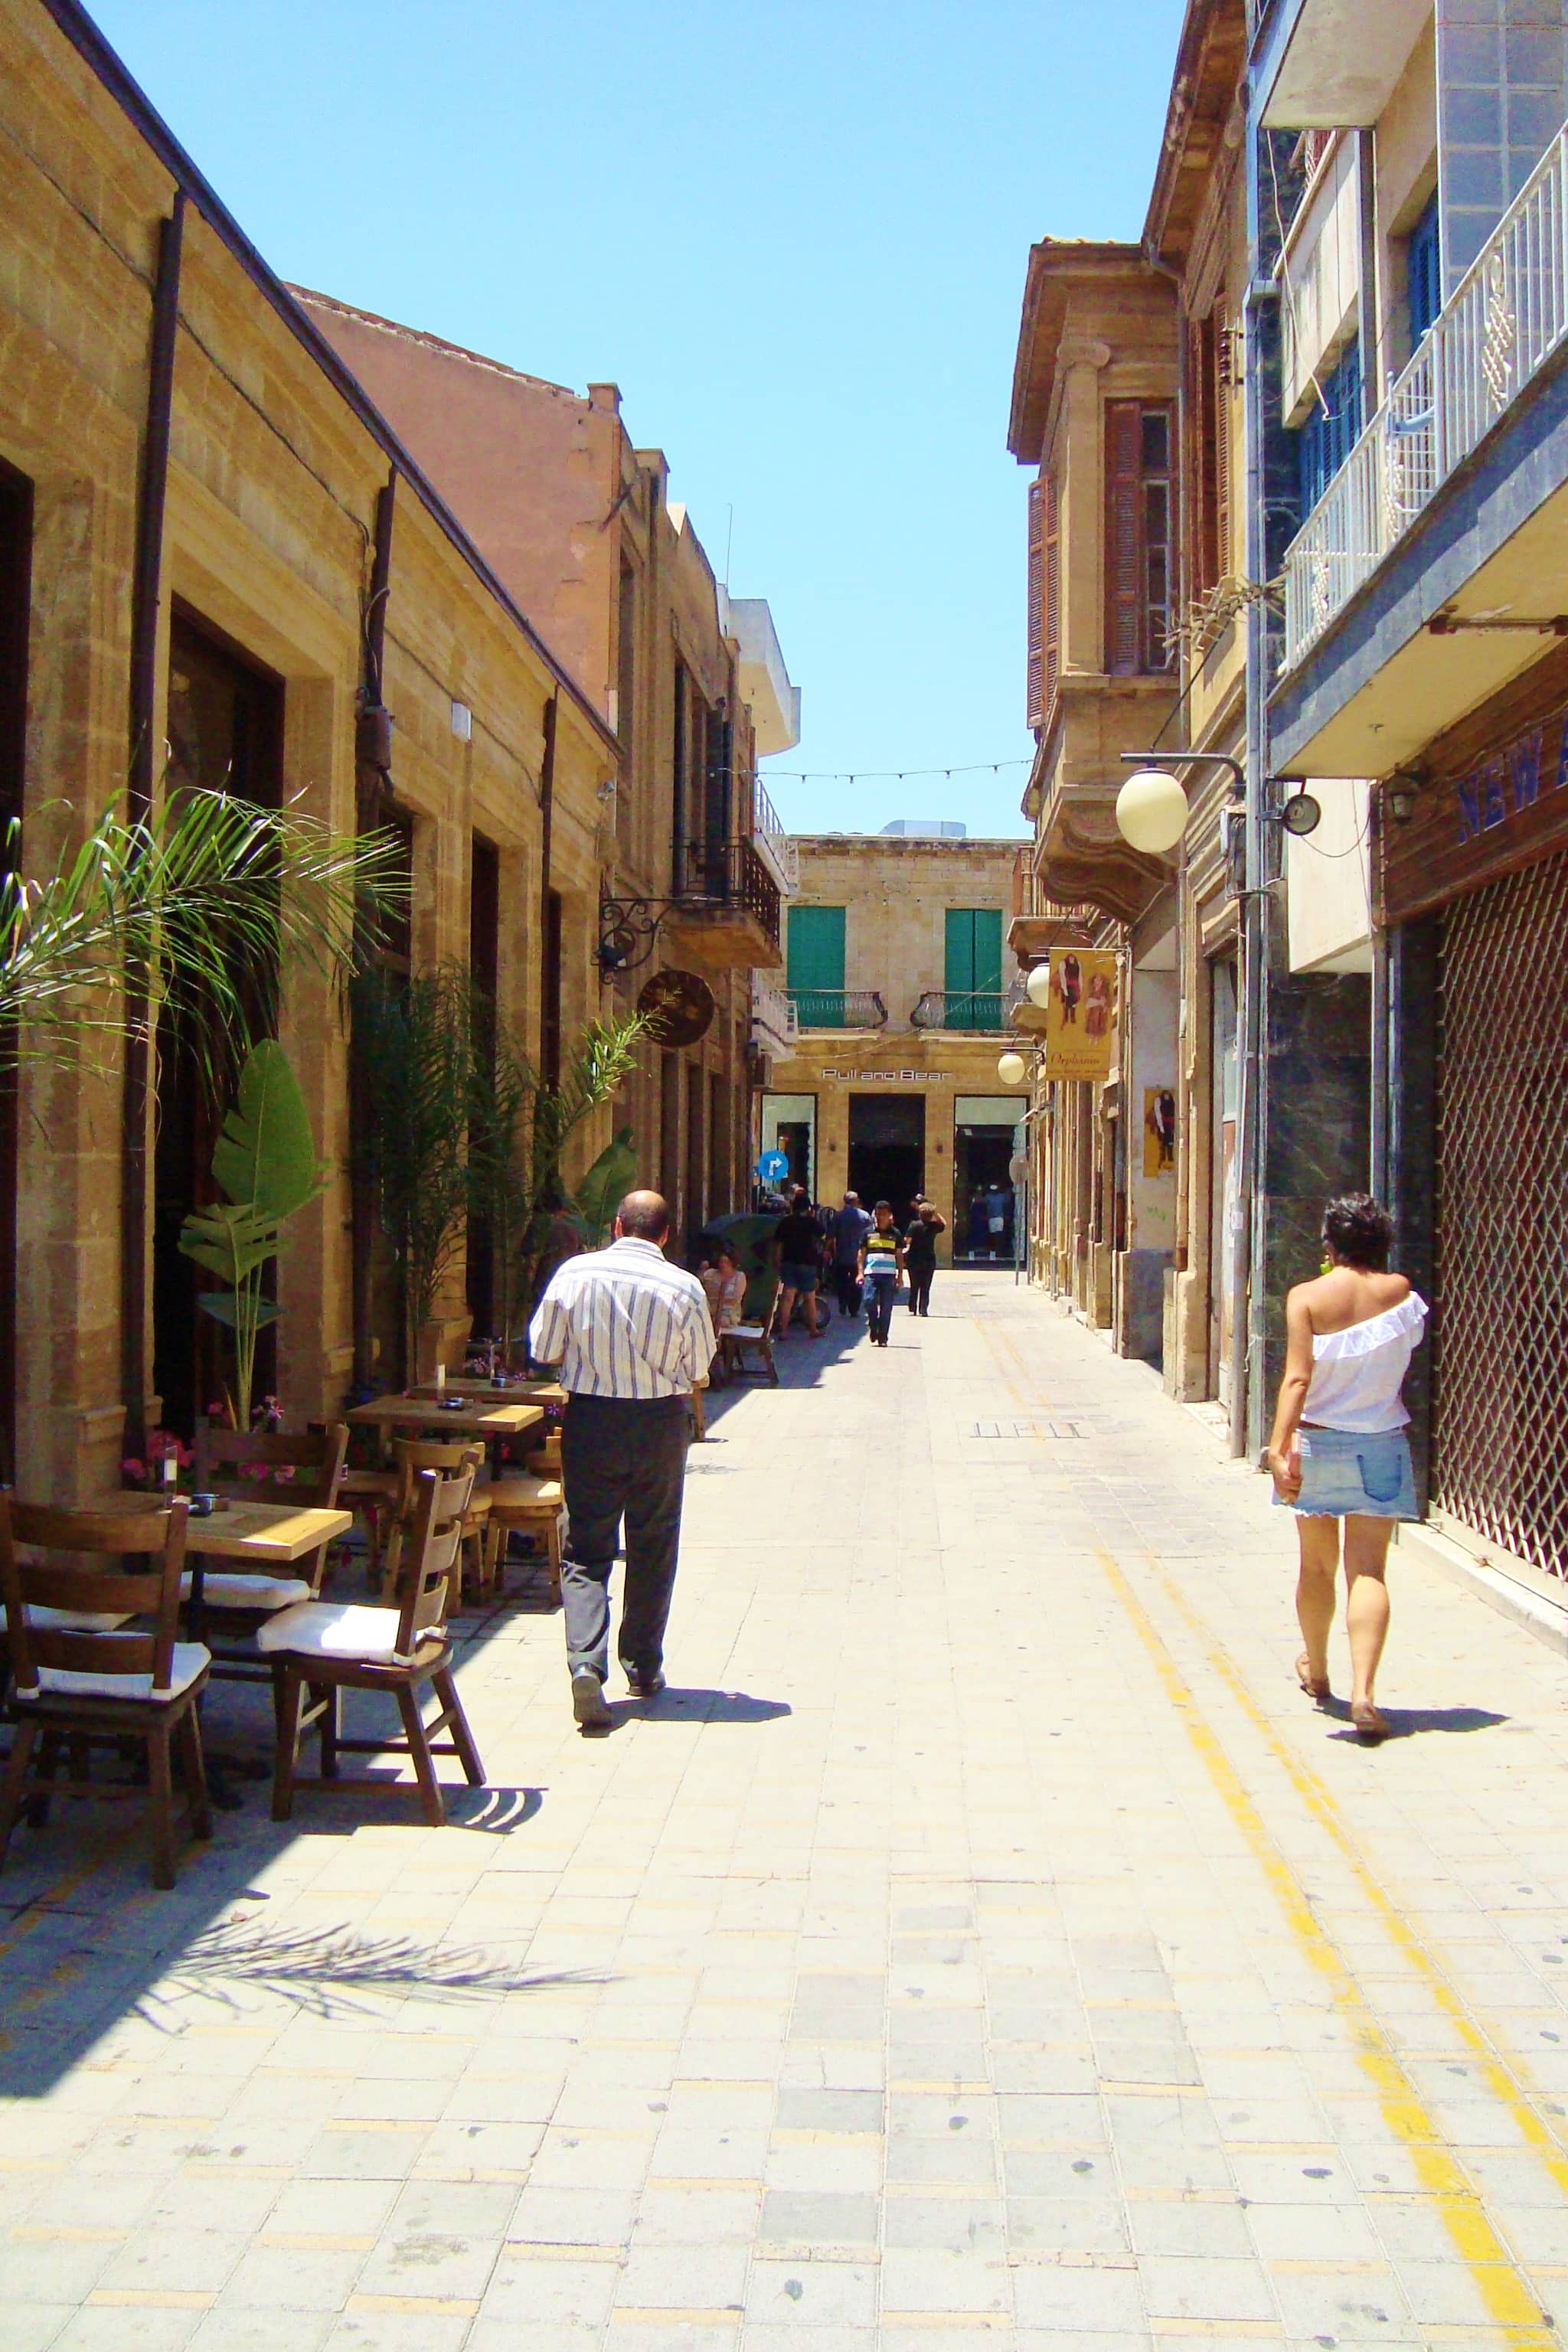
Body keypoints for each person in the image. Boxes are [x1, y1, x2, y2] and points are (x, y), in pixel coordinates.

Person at [528, 1189, 717, 1727]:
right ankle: (642, 1665)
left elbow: (543, 1349)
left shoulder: (574, 1275)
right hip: (658, 1422)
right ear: (665, 1234)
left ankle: (586, 1664)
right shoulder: (684, 1286)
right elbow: (700, 1365)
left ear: (616, 1226)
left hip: (591, 1419)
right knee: (654, 1541)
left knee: (586, 1545)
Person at [1264, 1192, 1427, 1744]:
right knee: (1370, 1572)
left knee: (1316, 1568)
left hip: (1318, 1444)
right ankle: (1364, 1693)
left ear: (1330, 1245)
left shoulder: (1307, 1297)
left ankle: (1317, 1670)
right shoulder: (1401, 1292)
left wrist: (1277, 1445)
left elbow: (1297, 1379)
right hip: (1381, 1443)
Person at [771, 1185, 823, 1339]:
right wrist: (812, 1216)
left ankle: (784, 1331)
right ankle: (813, 1330)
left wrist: (777, 1262)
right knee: (809, 1298)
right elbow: (822, 1234)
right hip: (807, 1264)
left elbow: (778, 1245)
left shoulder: (786, 1222)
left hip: (788, 1263)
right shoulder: (811, 1222)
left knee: (787, 1298)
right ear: (808, 1208)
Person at [858, 1200, 905, 1347]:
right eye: (878, 1214)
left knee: (886, 1306)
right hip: (871, 1274)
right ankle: (873, 1324)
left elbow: (899, 1256)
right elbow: (861, 1253)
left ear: (889, 1215)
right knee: (868, 1300)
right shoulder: (868, 1232)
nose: (880, 1218)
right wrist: (860, 1273)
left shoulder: (896, 1234)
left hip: (888, 1275)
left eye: (883, 1214)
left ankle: (883, 1337)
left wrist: (900, 1276)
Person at [830, 1192, 872, 1316]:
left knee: (842, 1281)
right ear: (856, 1201)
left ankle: (843, 1304)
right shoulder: (865, 1216)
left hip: (842, 1255)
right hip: (859, 1256)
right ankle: (854, 1309)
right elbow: (871, 1235)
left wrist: (828, 1250)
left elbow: (831, 1235)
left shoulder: (838, 1216)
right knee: (858, 1282)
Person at [903, 1200, 946, 1317]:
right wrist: (935, 1211)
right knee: (926, 1286)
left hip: (914, 1258)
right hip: (929, 1259)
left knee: (914, 1284)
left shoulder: (914, 1225)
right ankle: (923, 1309)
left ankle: (913, 1306)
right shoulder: (934, 1226)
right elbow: (943, 1222)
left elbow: (907, 1240)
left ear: (919, 1214)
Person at [701, 1243, 747, 1334]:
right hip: (709, 1309)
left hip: (728, 1312)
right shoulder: (710, 1273)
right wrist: (702, 1270)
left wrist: (718, 1300)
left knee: (720, 1321)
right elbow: (698, 1284)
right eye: (721, 1261)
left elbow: (736, 1299)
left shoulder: (739, 1276)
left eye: (726, 1262)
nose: (723, 1264)